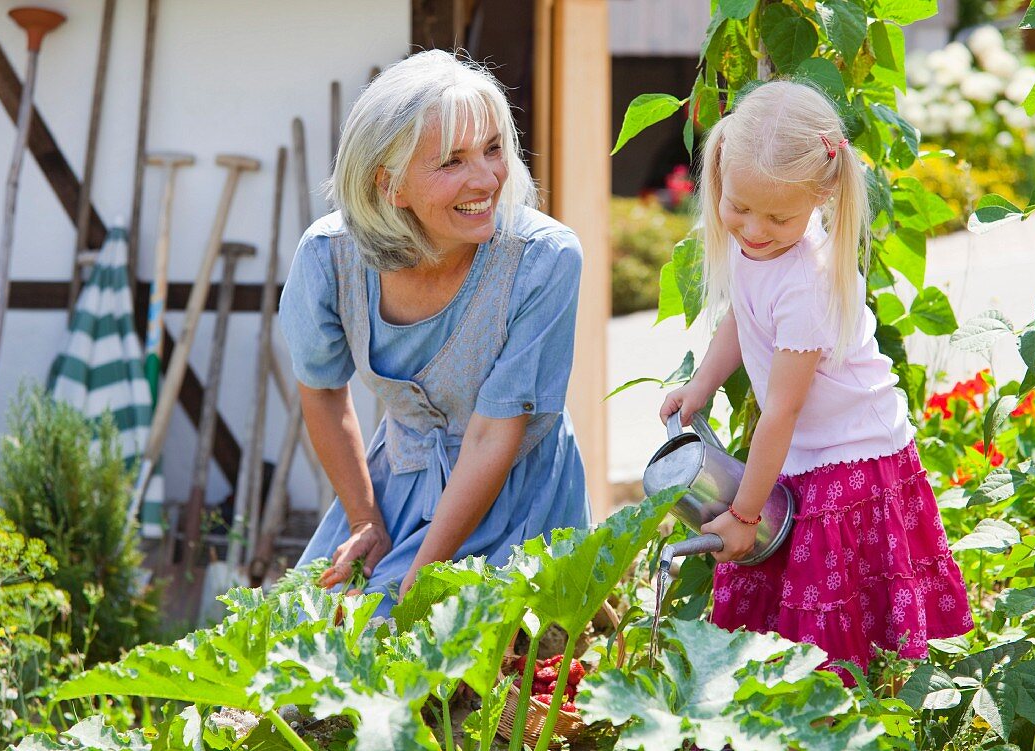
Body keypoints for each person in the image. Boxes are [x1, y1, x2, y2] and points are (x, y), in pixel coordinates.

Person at [659, 80, 972, 682]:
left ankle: (841, 718)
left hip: (852, 458)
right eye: (737, 206)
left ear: (822, 196)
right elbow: (742, 317)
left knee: (830, 627)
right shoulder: (760, 251)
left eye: (778, 216)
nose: (752, 229)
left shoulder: (807, 283)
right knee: (794, 604)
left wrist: (746, 517)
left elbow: (780, 412)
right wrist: (700, 386)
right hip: (809, 454)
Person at [279, 50, 590, 617]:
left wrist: (413, 589)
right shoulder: (329, 258)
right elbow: (321, 392)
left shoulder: (543, 260)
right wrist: (364, 520)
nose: (488, 178)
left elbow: (493, 437)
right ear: (391, 185)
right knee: (296, 635)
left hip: (514, 493)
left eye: (493, 149)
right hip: (396, 482)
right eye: (451, 161)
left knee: (398, 650)